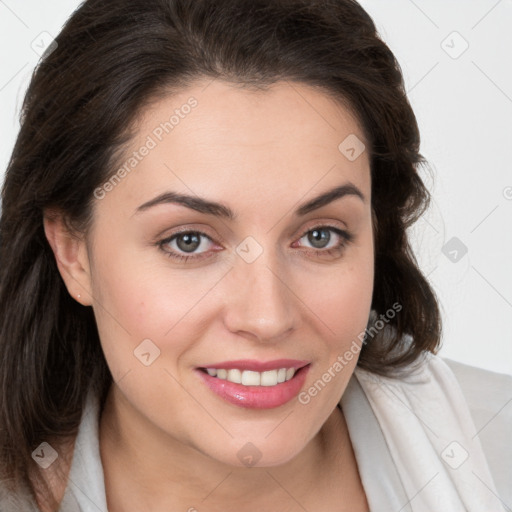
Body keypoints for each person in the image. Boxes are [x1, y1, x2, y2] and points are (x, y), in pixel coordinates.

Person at [0, 1, 510, 511]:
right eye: (189, 241)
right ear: (73, 254)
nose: (267, 317)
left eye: (319, 236)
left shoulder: (496, 444)